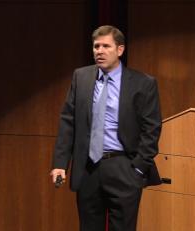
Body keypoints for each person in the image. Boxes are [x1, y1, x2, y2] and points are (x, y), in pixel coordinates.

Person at [50, 25, 162, 231]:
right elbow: (68, 121)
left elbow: (152, 128)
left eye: (105, 46)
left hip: (124, 166)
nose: (99, 51)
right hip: (88, 169)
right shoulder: (81, 77)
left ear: (120, 50)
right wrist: (60, 163)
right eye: (96, 46)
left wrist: (138, 168)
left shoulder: (142, 83)